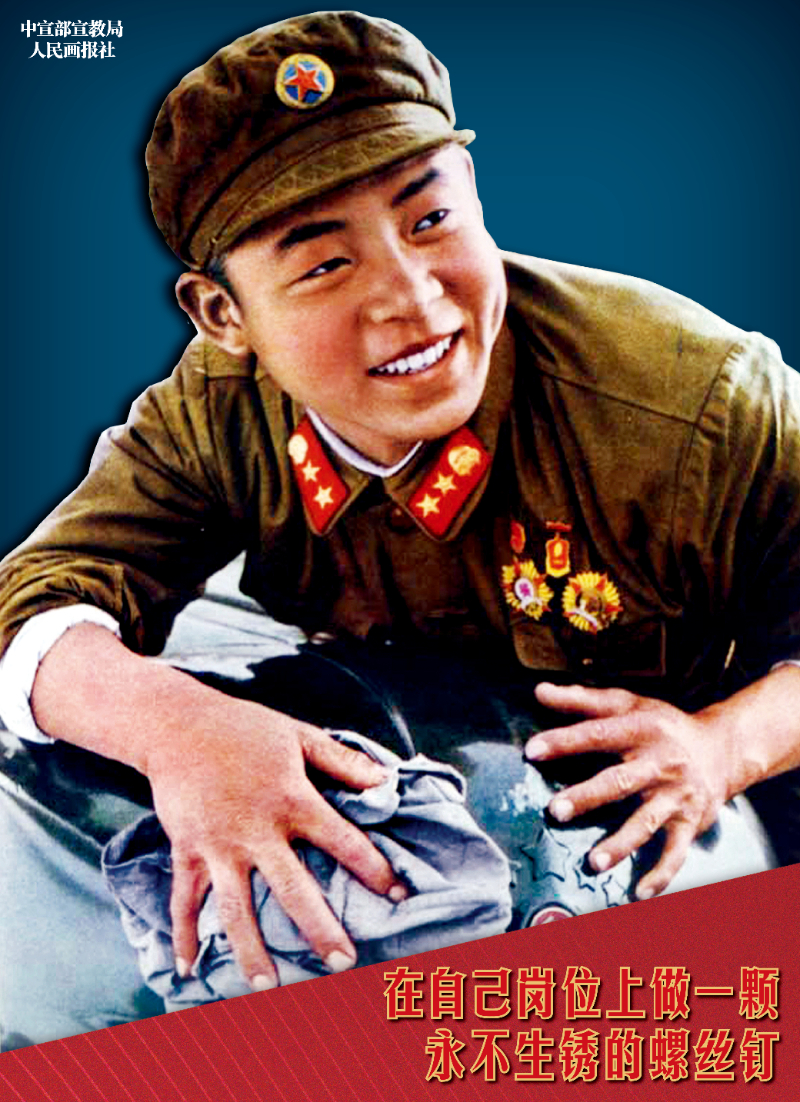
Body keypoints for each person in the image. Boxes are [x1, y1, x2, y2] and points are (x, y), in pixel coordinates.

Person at [1, 9, 799, 1045]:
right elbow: (41, 597)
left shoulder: (689, 402)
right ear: (223, 315)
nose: (412, 299)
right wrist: (176, 729)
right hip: (432, 792)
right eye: (324, 264)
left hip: (701, 829)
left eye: (430, 221)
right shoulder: (217, 409)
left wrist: (723, 746)